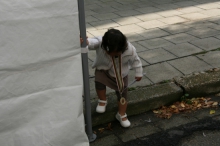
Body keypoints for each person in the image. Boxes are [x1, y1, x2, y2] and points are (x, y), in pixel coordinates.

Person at [81, 28, 143, 127]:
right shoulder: (101, 42)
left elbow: (136, 61)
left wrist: (138, 73)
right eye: (108, 52)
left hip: (120, 74)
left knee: (122, 94)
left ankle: (121, 114)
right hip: (103, 69)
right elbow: (92, 43)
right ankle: (102, 100)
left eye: (115, 53)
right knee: (99, 83)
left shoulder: (130, 50)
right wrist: (86, 41)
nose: (111, 55)